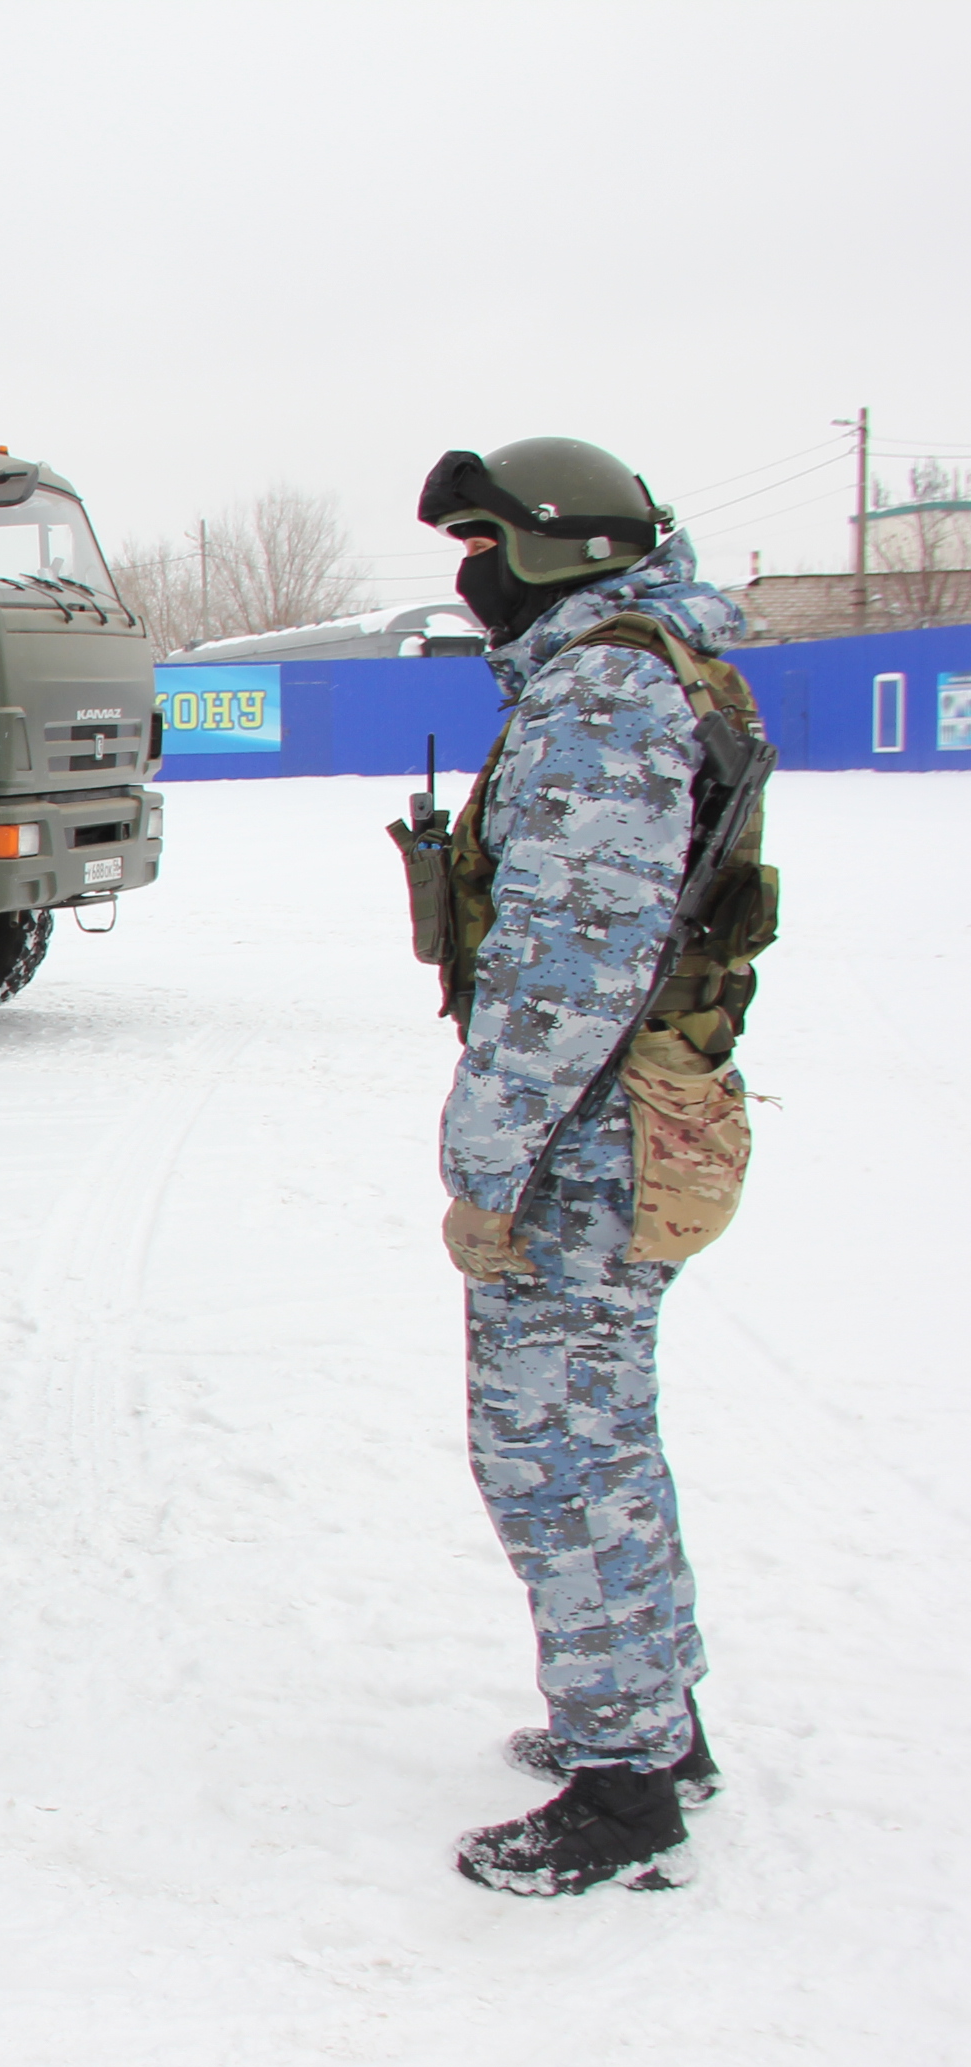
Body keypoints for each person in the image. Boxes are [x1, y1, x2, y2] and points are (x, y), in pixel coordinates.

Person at [412, 437, 769, 1896]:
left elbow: (569, 973)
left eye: (486, 543)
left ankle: (624, 1789)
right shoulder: (652, 667)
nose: (470, 574)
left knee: (557, 1455)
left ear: (563, 549)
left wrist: (482, 1170)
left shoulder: (603, 690)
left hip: (586, 1136)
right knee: (605, 1437)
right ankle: (652, 1721)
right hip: (632, 1114)